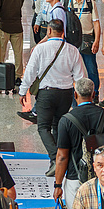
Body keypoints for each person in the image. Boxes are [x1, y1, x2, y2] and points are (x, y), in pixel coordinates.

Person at [19, 19, 86, 174]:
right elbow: (80, 77)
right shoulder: (72, 50)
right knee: (57, 126)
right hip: (66, 94)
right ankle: (58, 162)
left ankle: (56, 157)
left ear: (48, 31)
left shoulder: (40, 49)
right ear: (63, 32)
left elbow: (30, 72)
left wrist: (23, 91)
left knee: (43, 127)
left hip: (46, 94)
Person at [54, 78, 104, 209]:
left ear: (75, 95)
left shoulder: (66, 121)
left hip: (76, 178)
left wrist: (58, 185)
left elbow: (62, 156)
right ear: (93, 95)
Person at [66, 0, 101, 97]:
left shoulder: (91, 3)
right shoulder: (67, 3)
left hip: (87, 39)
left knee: (91, 68)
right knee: (69, 69)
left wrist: (97, 41)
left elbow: (96, 23)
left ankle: (95, 94)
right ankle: (71, 94)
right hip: (72, 40)